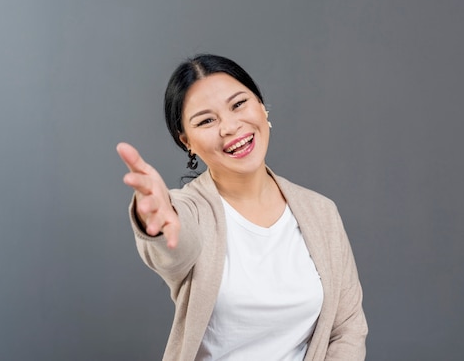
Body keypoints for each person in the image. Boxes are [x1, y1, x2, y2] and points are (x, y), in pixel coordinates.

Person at [117, 54, 367, 361]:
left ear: (261, 106)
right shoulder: (190, 210)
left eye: (239, 104)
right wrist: (156, 220)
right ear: (187, 142)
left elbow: (347, 327)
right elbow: (177, 245)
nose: (230, 126)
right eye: (206, 120)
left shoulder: (321, 213)